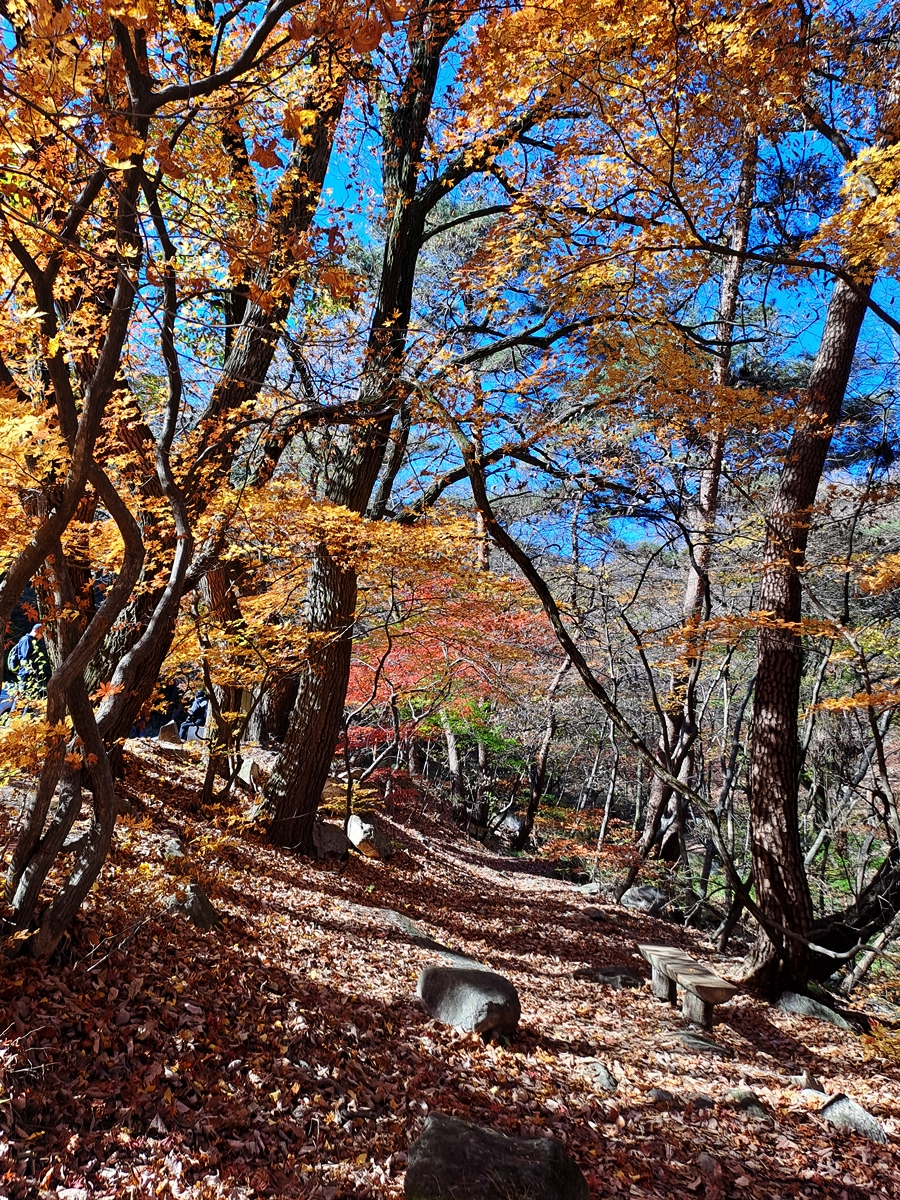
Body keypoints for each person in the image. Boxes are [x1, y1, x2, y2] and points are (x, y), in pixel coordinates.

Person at [7, 624, 50, 701]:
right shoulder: (26, 639)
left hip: (31, 674)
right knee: (24, 697)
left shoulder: (32, 641)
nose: (42, 636)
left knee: (34, 696)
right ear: (36, 631)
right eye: (42, 633)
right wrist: (39, 656)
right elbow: (25, 656)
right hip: (26, 673)